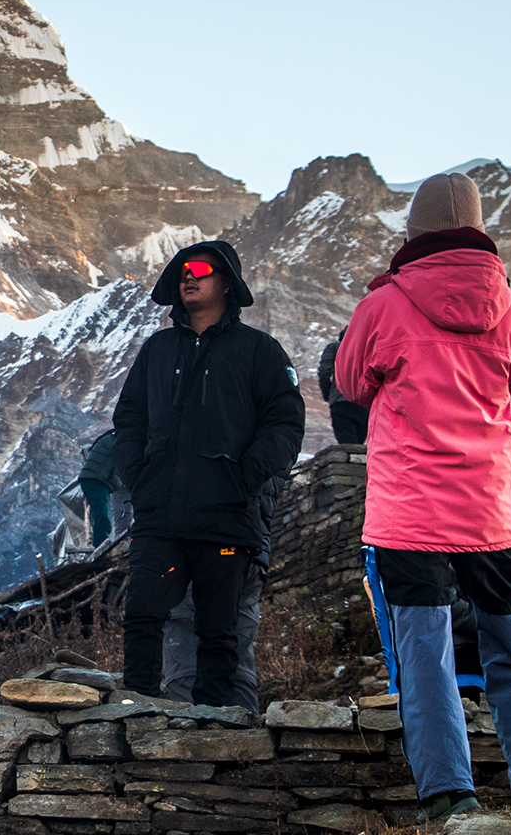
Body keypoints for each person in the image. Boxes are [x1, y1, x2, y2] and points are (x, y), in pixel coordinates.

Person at [334, 172, 511, 826]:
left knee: (427, 654)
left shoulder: (383, 307)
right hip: (490, 510)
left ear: (414, 233)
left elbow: (352, 380)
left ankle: (449, 794)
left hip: (410, 512)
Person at [111, 240, 304, 706]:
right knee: (141, 616)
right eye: (181, 273)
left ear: (226, 283)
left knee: (219, 630)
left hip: (226, 517)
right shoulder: (157, 350)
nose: (188, 278)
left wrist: (243, 478)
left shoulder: (260, 351)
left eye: (199, 269)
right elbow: (129, 420)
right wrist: (142, 480)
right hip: (160, 517)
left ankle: (218, 727)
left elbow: (285, 423)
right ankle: (132, 714)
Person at [161, 477, 282, 709]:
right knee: (235, 652)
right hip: (252, 541)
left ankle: (193, 738)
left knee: (187, 652)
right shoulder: (267, 445)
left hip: (198, 540)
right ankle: (247, 738)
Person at [317, 331, 369, 445]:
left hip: (341, 402)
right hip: (365, 405)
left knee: (348, 446)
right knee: (358, 447)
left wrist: (327, 394)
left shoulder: (335, 347)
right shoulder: (369, 350)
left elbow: (324, 372)